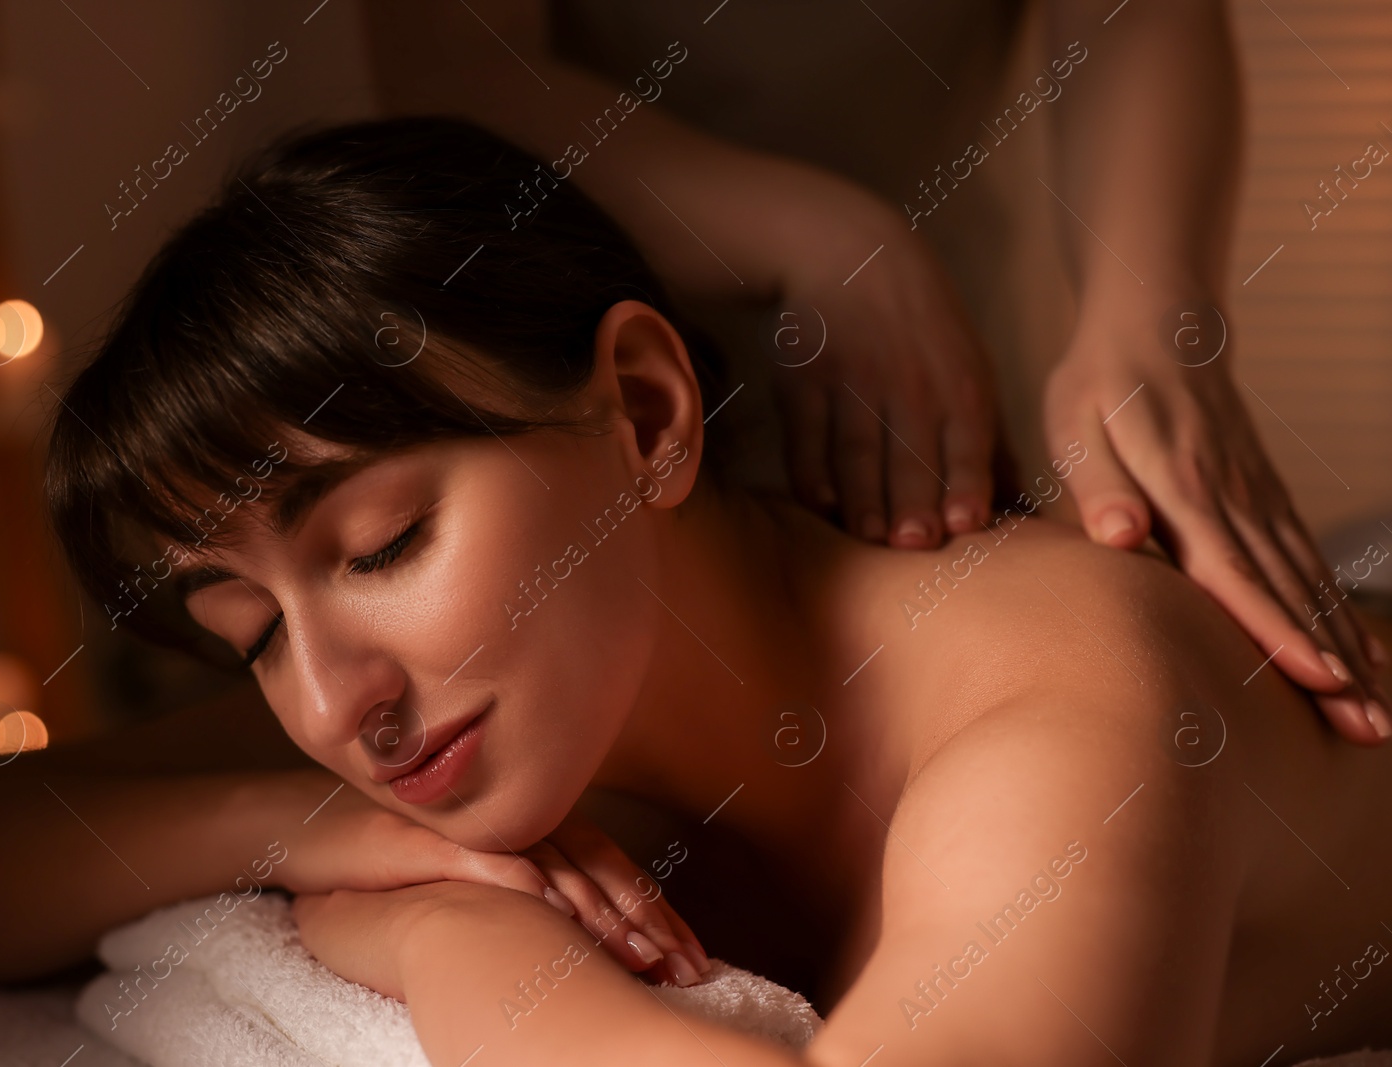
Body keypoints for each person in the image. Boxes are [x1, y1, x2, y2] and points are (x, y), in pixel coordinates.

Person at [0, 119, 1392, 1066]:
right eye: (247, 630)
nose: (330, 701)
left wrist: (448, 945)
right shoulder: (478, 699)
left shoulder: (1058, 700)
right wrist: (309, 833)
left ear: (644, 413)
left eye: (380, 545)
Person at [362, 0, 1390, 741]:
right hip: (574, 375)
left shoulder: (1048, 697)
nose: (335, 707)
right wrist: (814, 237)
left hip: (963, 410)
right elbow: (456, 64)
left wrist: (1155, 317)